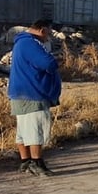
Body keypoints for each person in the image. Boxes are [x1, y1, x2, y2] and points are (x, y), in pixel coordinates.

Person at [8, 19, 62, 177]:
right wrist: (55, 60)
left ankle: (25, 161)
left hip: (21, 93)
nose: (49, 37)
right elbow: (47, 63)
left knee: (23, 130)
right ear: (43, 30)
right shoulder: (30, 44)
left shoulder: (22, 43)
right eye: (49, 33)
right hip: (32, 93)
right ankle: (37, 163)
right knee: (35, 129)